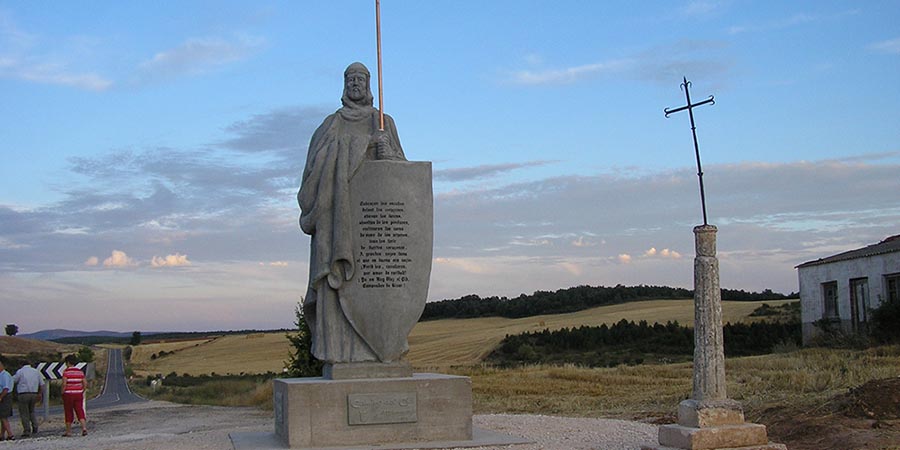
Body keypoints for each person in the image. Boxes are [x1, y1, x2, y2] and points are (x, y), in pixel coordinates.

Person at [298, 61, 406, 363]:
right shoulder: (331, 124)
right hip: (334, 227)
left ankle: (381, 348)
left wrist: (388, 154)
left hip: (374, 229)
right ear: (343, 85)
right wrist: (363, 145)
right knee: (336, 289)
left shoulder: (384, 123)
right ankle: (338, 352)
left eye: (360, 79)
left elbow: (403, 180)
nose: (355, 84)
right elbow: (314, 169)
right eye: (350, 79)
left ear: (369, 84)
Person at [12, 360, 44, 437]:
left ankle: (27, 430)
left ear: (21, 364)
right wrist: (40, 393)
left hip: (23, 394)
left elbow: (14, 380)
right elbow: (42, 384)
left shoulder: (20, 371)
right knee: (32, 411)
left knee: (24, 413)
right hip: (34, 393)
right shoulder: (36, 371)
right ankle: (35, 426)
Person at [61, 355, 88, 437]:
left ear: (68, 363)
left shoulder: (66, 372)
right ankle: (84, 428)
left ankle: (68, 431)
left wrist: (62, 392)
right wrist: (82, 390)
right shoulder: (80, 372)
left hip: (68, 394)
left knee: (68, 412)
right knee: (80, 410)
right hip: (78, 394)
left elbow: (64, 384)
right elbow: (85, 383)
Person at [0, 360, 13, 441]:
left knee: (3, 416)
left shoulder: (4, 375)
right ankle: (1, 435)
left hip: (5, 396)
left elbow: (5, 388)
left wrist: (1, 397)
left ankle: (10, 434)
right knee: (2, 417)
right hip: (4, 396)